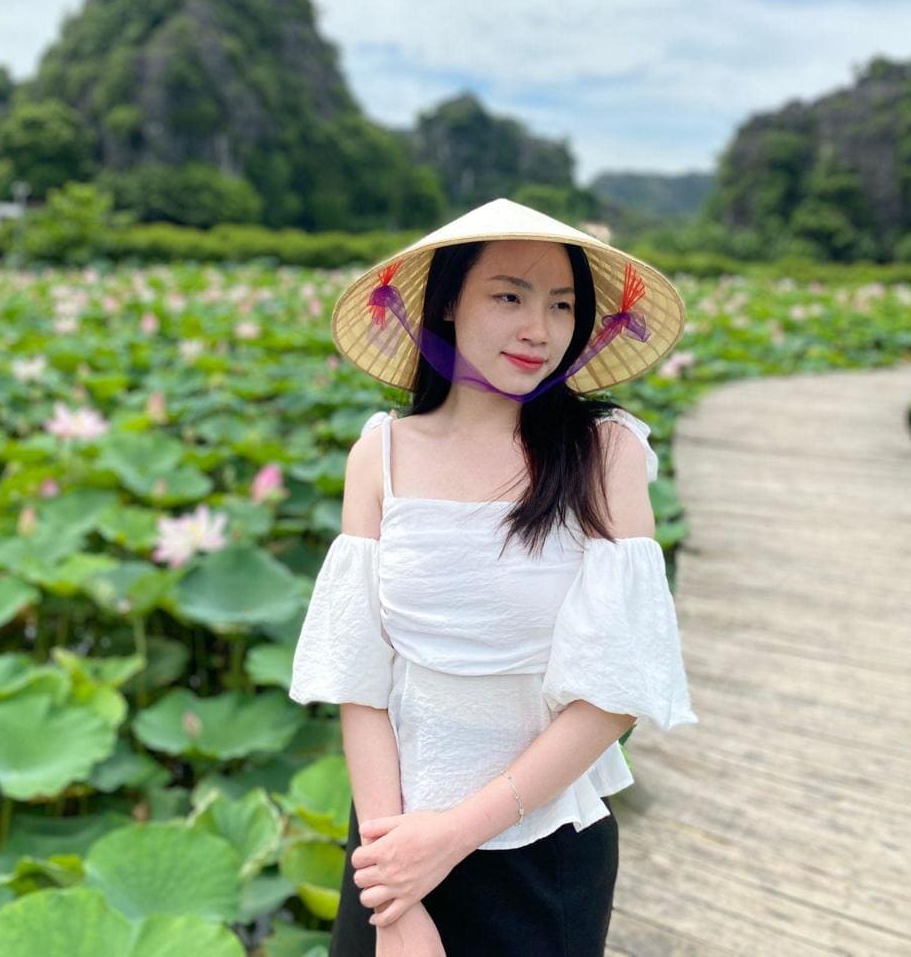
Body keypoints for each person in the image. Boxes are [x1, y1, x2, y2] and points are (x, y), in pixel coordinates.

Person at [288, 197, 699, 956]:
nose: (538, 328)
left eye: (561, 303)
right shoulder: (377, 452)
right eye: (509, 295)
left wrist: (450, 837)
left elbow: (612, 692)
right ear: (447, 302)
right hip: (389, 843)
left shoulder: (603, 453)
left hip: (538, 848)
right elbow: (360, 678)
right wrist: (394, 897)